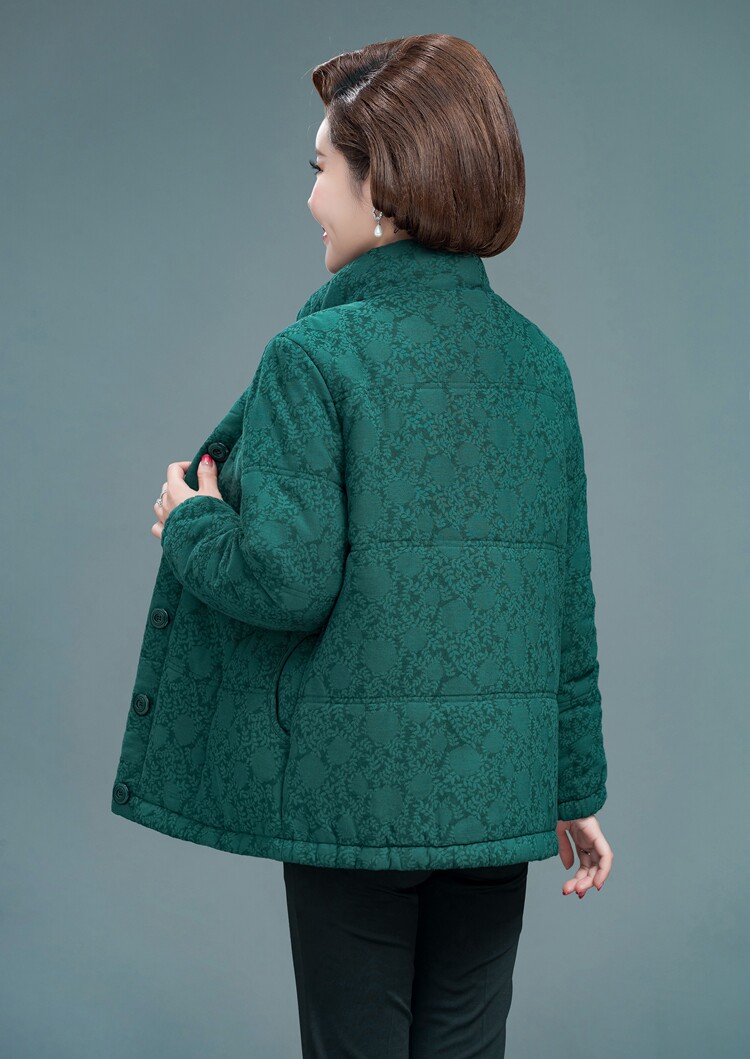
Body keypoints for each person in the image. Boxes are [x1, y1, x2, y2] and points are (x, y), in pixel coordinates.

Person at [112, 32, 613, 1059]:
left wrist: (189, 522)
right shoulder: (540, 366)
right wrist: (574, 791)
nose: (310, 199)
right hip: (498, 800)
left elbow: (285, 578)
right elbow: (566, 602)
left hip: (357, 802)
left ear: (378, 185)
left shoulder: (314, 358)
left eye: (320, 170)